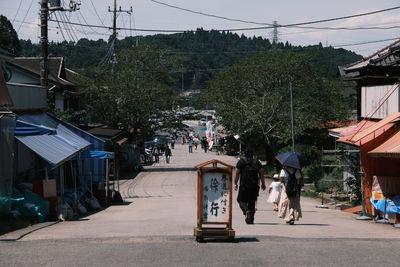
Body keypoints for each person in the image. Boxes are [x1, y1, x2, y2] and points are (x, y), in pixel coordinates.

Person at [234, 149, 266, 224]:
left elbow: (237, 173)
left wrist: (235, 183)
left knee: (241, 200)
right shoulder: (257, 162)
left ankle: (246, 211)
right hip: (254, 186)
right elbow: (261, 173)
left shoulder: (241, 162)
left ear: (245, 154)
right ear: (252, 155)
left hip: (244, 186)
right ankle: (251, 219)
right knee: (252, 202)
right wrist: (263, 183)